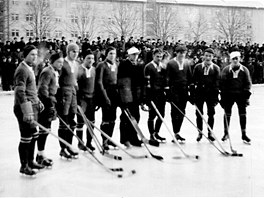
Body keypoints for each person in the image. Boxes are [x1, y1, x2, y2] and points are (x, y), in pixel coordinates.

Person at [13, 45, 45, 176]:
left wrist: (38, 102)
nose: (34, 57)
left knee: (34, 135)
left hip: (32, 106)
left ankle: (31, 161)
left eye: (36, 54)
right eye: (32, 54)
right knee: (26, 137)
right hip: (23, 108)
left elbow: (31, 90)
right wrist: (27, 111)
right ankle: (24, 165)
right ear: (24, 55)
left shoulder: (29, 68)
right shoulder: (22, 70)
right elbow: (20, 91)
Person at [37, 52, 64, 166]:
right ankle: (40, 155)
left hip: (51, 101)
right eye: (58, 62)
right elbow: (43, 89)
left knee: (46, 130)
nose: (61, 64)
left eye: (62, 62)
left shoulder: (55, 71)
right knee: (44, 130)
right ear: (52, 62)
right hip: (45, 103)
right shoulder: (47, 71)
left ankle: (40, 154)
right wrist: (49, 104)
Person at [220, 51, 252, 144]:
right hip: (229, 95)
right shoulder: (226, 70)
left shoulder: (244, 70)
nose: (235, 60)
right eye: (233, 59)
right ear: (230, 60)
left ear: (240, 59)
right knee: (227, 114)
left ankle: (244, 134)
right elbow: (222, 84)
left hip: (241, 95)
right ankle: (226, 133)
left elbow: (248, 83)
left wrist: (246, 97)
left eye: (236, 58)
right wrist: (223, 97)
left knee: (242, 114)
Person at [56, 43, 80, 159]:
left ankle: (69, 146)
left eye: (77, 51)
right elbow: (57, 80)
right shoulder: (63, 63)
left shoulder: (76, 64)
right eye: (73, 51)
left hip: (73, 94)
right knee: (64, 122)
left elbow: (75, 81)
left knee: (72, 121)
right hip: (64, 94)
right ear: (68, 51)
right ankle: (63, 148)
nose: (75, 54)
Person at [165, 45, 192, 143]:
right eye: (180, 53)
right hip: (174, 90)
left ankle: (178, 132)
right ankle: (175, 132)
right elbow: (167, 78)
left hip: (184, 90)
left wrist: (191, 91)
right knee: (175, 111)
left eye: (184, 53)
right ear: (177, 53)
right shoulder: (171, 63)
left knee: (182, 111)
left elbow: (189, 77)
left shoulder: (187, 63)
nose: (182, 55)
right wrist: (168, 92)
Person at [192, 48, 220, 142]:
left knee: (211, 114)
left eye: (210, 56)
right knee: (199, 114)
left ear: (213, 57)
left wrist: (216, 97)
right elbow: (193, 81)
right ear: (203, 56)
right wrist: (192, 95)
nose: (208, 58)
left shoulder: (216, 68)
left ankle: (210, 132)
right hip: (199, 93)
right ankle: (200, 132)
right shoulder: (198, 67)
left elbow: (217, 84)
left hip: (210, 94)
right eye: (206, 55)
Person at [118, 47, 144, 148]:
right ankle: (124, 139)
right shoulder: (124, 64)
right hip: (126, 94)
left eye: (137, 54)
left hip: (135, 95)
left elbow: (141, 81)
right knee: (125, 117)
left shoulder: (138, 65)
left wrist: (141, 97)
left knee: (136, 116)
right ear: (129, 55)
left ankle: (134, 138)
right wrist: (123, 98)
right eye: (133, 54)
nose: (135, 56)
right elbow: (122, 82)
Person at [95, 46, 119, 150]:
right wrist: (105, 97)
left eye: (114, 54)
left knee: (113, 118)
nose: (112, 56)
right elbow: (99, 82)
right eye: (110, 54)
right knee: (106, 119)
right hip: (105, 93)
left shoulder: (116, 65)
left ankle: (109, 139)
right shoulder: (102, 65)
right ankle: (104, 141)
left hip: (114, 93)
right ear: (106, 54)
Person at [144, 48, 167, 143]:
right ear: (153, 56)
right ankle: (151, 134)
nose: (159, 58)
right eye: (157, 56)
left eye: (161, 57)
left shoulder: (163, 66)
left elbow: (165, 81)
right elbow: (146, 83)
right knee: (152, 115)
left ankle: (157, 132)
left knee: (161, 115)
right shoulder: (148, 67)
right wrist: (147, 97)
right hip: (152, 94)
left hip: (161, 94)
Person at [76, 50, 96, 151]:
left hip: (91, 99)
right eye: (88, 58)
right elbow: (75, 86)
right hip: (82, 99)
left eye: (92, 58)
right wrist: (78, 100)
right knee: (80, 122)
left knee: (91, 121)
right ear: (83, 59)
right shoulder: (79, 69)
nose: (90, 60)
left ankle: (89, 142)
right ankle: (80, 143)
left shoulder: (94, 70)